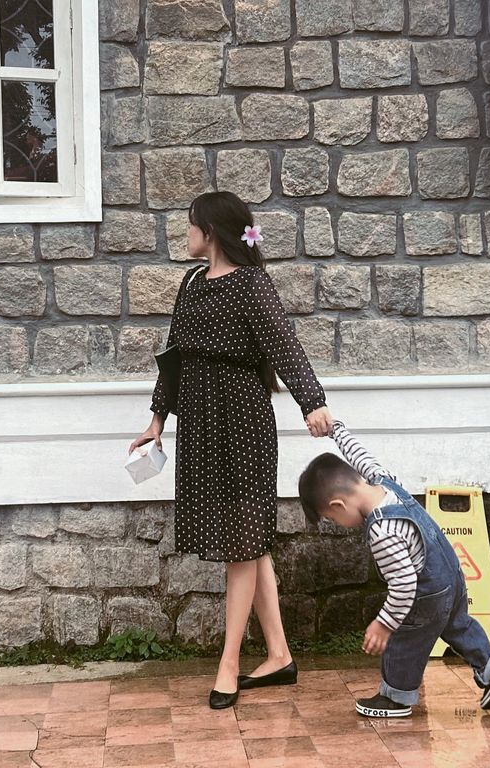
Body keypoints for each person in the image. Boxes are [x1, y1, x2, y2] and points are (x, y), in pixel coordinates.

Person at [129, 191, 332, 709]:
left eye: (190, 225)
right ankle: (280, 654)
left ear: (211, 232)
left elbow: (284, 344)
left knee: (243, 541)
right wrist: (156, 422)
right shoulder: (192, 283)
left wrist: (313, 403)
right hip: (200, 423)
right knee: (250, 541)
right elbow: (172, 358)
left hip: (242, 422)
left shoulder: (251, 284)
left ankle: (229, 664)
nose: (186, 234)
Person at [297, 421, 490, 718]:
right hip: (452, 575)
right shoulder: (383, 481)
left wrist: (384, 624)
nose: (338, 524)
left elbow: (404, 584)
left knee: (404, 639)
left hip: (426, 592)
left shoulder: (382, 531)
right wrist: (336, 429)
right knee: (458, 624)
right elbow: (361, 455)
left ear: (337, 505)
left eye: (332, 519)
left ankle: (396, 698)